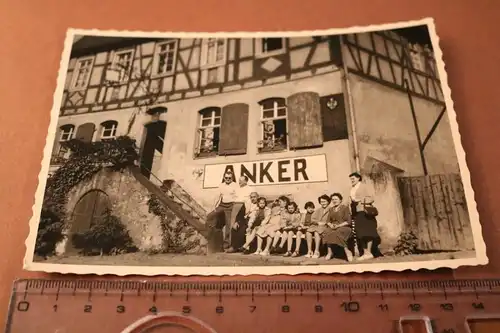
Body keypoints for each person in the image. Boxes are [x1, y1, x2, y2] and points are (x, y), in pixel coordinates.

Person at [348, 172, 381, 261]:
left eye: (353, 178)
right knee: (360, 233)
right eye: (350, 179)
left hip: (365, 212)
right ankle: (365, 252)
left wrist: (360, 200)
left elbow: (371, 198)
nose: (352, 180)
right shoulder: (352, 189)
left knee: (368, 232)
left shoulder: (364, 186)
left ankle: (369, 253)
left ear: (358, 178)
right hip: (356, 213)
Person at [206, 171, 239, 250]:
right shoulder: (221, 185)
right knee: (210, 216)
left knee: (228, 225)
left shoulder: (235, 185)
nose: (227, 179)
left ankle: (226, 244)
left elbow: (237, 197)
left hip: (230, 206)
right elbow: (217, 196)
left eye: (229, 178)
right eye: (226, 178)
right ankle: (210, 236)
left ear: (232, 178)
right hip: (222, 205)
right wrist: (214, 206)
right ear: (224, 178)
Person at [226, 177, 255, 253]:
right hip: (239, 207)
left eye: (241, 181)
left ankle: (238, 246)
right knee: (234, 226)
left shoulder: (250, 189)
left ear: (246, 181)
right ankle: (232, 246)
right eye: (239, 181)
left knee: (242, 229)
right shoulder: (237, 189)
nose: (239, 182)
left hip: (247, 212)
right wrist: (237, 221)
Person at [322, 193, 354, 262]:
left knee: (338, 232)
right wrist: (331, 225)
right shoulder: (331, 209)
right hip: (333, 227)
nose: (334, 201)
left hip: (344, 226)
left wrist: (338, 226)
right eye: (333, 199)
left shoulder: (345, 208)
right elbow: (328, 221)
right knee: (327, 231)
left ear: (340, 200)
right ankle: (330, 252)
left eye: (336, 199)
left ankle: (347, 251)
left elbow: (348, 221)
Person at [306, 194, 332, 259]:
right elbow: (312, 219)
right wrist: (317, 222)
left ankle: (317, 251)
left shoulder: (331, 209)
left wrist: (325, 223)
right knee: (308, 232)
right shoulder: (318, 210)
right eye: (321, 202)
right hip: (317, 226)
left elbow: (333, 219)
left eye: (324, 201)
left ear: (328, 202)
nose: (323, 203)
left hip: (326, 226)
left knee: (316, 232)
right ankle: (309, 251)